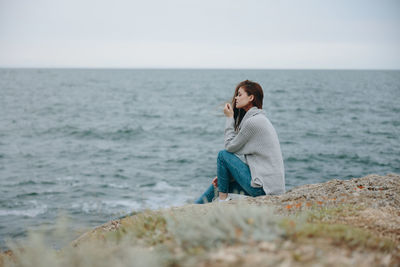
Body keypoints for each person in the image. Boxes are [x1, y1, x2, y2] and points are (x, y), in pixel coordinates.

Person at [194, 80, 285, 204]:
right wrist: (226, 175)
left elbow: (229, 147)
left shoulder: (253, 122)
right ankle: (190, 211)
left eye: (240, 94)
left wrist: (229, 118)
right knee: (220, 185)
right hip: (268, 186)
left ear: (251, 97)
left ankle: (223, 201)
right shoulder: (259, 119)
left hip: (263, 189)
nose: (236, 98)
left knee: (222, 155)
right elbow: (256, 161)